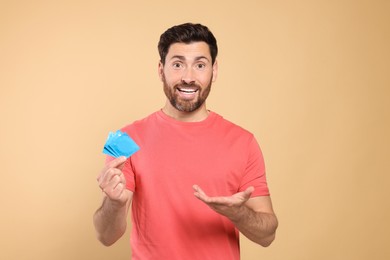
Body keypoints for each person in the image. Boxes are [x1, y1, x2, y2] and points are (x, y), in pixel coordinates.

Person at [93, 23, 278, 260]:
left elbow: (267, 236)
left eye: (200, 65)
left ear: (214, 70)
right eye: (178, 64)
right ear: (161, 70)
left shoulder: (244, 141)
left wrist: (237, 213)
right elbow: (104, 236)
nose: (188, 77)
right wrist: (114, 203)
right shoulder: (122, 138)